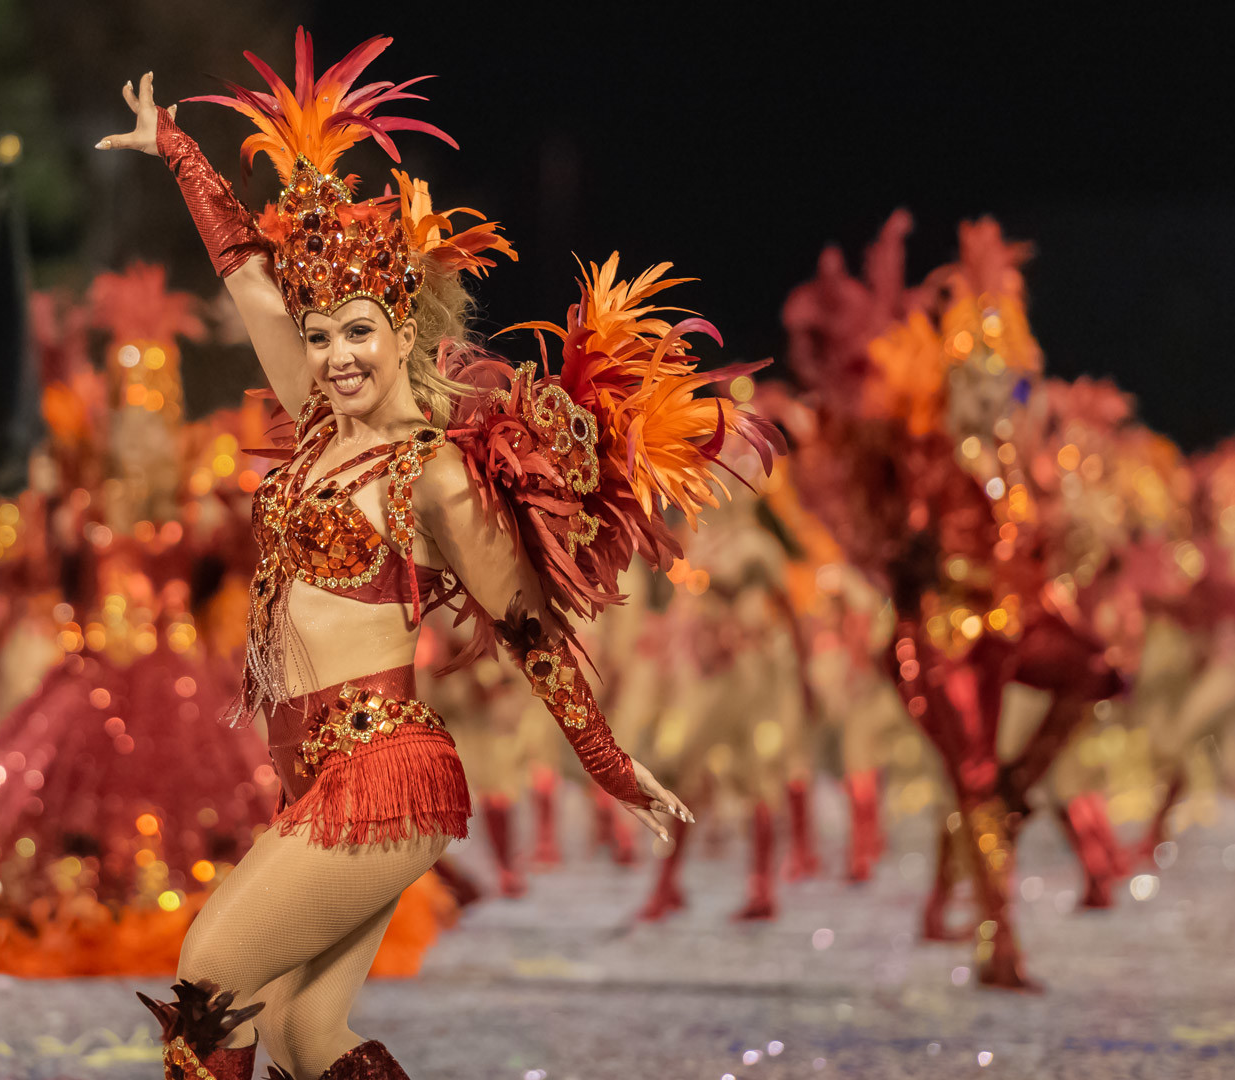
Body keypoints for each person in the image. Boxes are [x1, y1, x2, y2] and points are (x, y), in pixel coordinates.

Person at [96, 30, 780, 1079]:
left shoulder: (437, 476)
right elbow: (247, 280)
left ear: (400, 323)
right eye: (321, 337)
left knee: (209, 982)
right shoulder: (320, 428)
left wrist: (607, 762)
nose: (334, 357)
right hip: (312, 769)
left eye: (356, 333)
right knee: (302, 1032)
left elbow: (523, 626)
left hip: (384, 770)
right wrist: (180, 151)